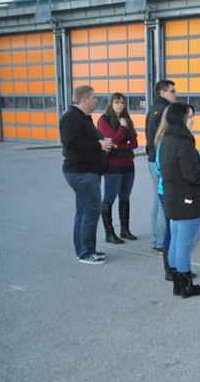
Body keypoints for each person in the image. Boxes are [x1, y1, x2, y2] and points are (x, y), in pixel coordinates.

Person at [159, 102, 200, 298]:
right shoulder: (183, 143)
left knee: (176, 240)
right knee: (183, 245)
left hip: (172, 198)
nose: (193, 120)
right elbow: (192, 175)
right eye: (189, 116)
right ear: (180, 119)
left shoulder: (167, 139)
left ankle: (177, 285)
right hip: (186, 199)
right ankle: (187, 286)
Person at [60, 85, 112, 264]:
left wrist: (102, 143)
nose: (96, 100)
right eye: (94, 97)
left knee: (83, 210)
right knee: (91, 210)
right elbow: (71, 142)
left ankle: (83, 249)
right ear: (85, 100)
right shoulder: (72, 117)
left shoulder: (83, 117)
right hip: (81, 172)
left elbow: (86, 140)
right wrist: (98, 145)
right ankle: (86, 253)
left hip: (87, 171)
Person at [97, 92, 138, 245]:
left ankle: (124, 230)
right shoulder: (103, 120)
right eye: (117, 102)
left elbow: (134, 143)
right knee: (109, 198)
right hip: (112, 166)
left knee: (125, 197)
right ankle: (109, 233)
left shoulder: (127, 119)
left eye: (122, 102)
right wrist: (122, 127)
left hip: (128, 165)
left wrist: (119, 146)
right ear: (110, 103)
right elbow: (113, 139)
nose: (120, 105)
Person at [145, 80, 177, 251]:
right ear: (163, 92)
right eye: (172, 91)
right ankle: (160, 241)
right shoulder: (165, 110)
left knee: (157, 200)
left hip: (153, 158)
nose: (175, 94)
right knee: (163, 201)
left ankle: (157, 238)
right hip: (160, 160)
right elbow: (162, 138)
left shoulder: (153, 108)